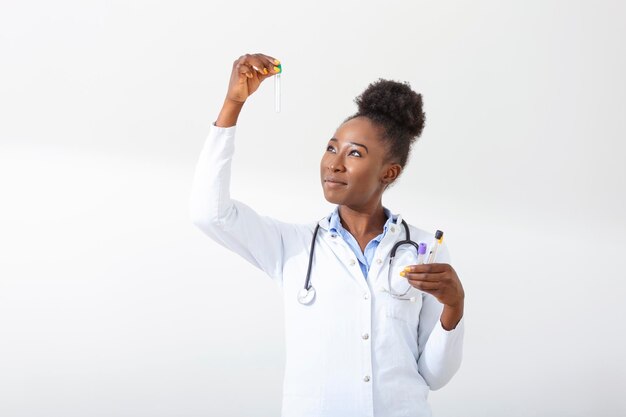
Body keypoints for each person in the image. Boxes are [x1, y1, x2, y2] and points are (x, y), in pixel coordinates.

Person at [189, 52, 465, 417]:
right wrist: (232, 104)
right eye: (331, 148)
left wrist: (454, 307)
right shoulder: (292, 247)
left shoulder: (425, 252)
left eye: (355, 153)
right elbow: (210, 214)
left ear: (389, 173)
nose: (334, 163)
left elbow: (433, 375)